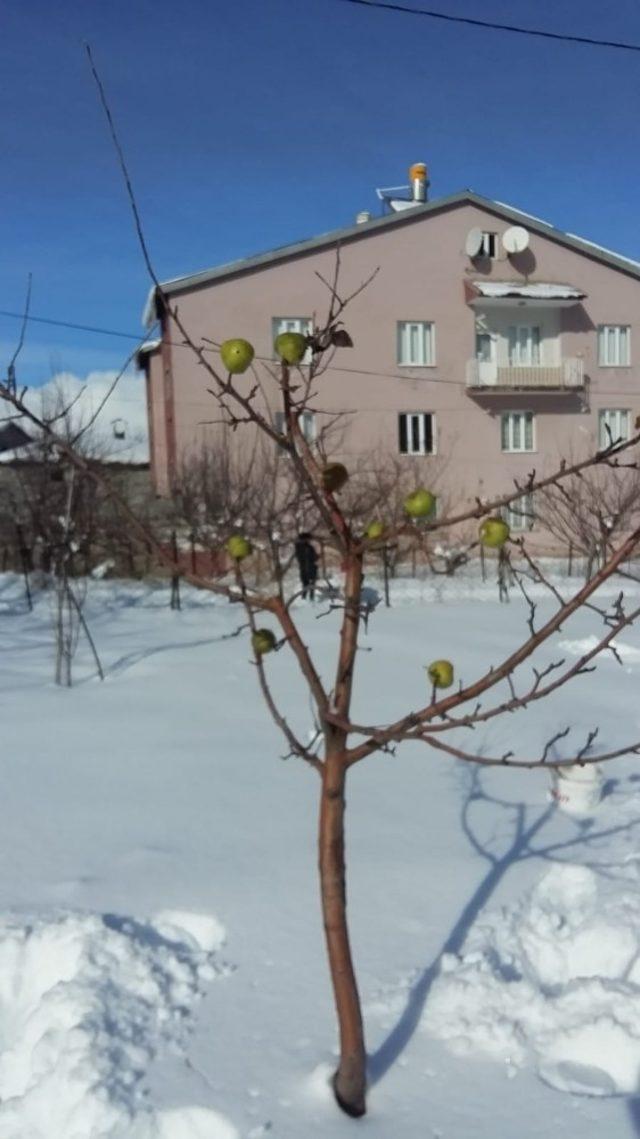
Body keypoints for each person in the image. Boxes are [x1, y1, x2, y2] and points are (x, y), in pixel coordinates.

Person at [294, 532, 319, 600]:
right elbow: (313, 558)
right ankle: (311, 599)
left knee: (305, 585)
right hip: (310, 569)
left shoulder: (297, 547)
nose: (310, 540)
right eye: (309, 539)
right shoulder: (309, 548)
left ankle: (304, 598)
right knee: (311, 586)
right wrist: (317, 556)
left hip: (303, 569)